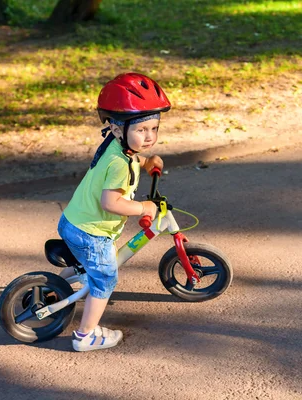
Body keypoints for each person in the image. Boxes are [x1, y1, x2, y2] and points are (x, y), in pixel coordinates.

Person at [57, 73, 171, 351]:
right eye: (142, 130)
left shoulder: (115, 147)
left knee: (87, 267)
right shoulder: (119, 163)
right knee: (106, 278)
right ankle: (85, 336)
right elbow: (112, 203)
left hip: (74, 221)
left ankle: (55, 290)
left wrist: (145, 163)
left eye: (154, 128)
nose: (149, 136)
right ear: (119, 129)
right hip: (91, 232)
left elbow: (128, 160)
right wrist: (144, 207)